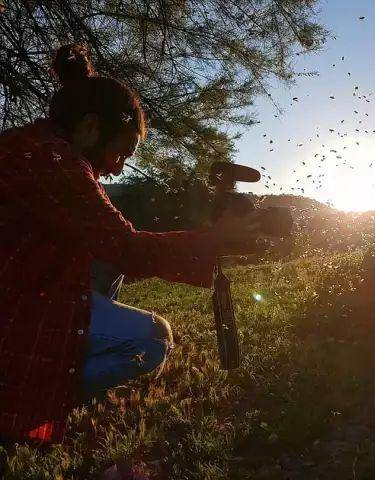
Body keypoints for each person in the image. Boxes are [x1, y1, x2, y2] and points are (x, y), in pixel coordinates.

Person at [0, 44, 259, 445]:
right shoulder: (56, 163)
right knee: (153, 338)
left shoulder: (31, 146)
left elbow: (111, 244)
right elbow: (128, 249)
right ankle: (27, 395)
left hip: (18, 278)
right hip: (13, 300)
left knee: (105, 264)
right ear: (89, 128)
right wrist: (214, 241)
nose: (119, 166)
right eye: (121, 152)